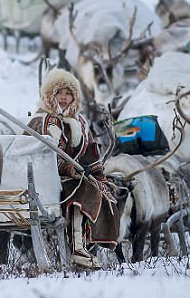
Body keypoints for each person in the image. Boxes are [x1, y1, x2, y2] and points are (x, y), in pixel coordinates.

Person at [27, 68, 120, 269]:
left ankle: (85, 244)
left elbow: (90, 153)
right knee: (83, 188)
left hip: (72, 179)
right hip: (45, 182)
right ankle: (77, 249)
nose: (63, 98)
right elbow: (38, 157)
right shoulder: (39, 121)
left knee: (101, 190)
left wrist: (98, 175)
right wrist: (69, 169)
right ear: (49, 95)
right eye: (59, 92)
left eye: (68, 93)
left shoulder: (79, 123)